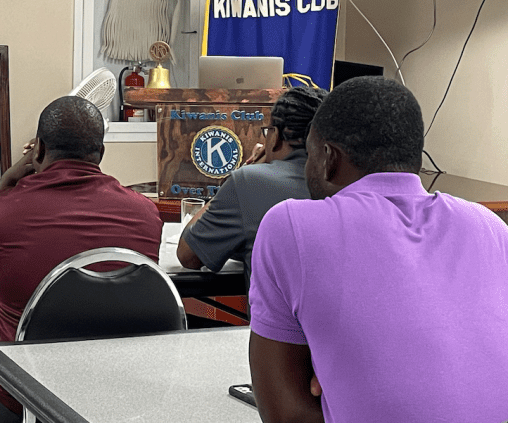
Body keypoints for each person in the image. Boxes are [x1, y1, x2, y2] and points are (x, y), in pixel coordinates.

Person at [248, 77, 508, 422]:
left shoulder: (291, 225)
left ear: (327, 158)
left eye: (309, 155)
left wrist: (328, 372)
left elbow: (285, 415)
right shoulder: (490, 226)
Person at [0, 96, 164, 423]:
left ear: (37, 151)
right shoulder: (146, 214)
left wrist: (3, 183)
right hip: (114, 396)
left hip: (22, 398)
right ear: (101, 154)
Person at [177, 86, 327, 289]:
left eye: (268, 132)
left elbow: (188, 255)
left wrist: (246, 172)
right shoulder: (347, 183)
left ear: (276, 137)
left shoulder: (249, 181)